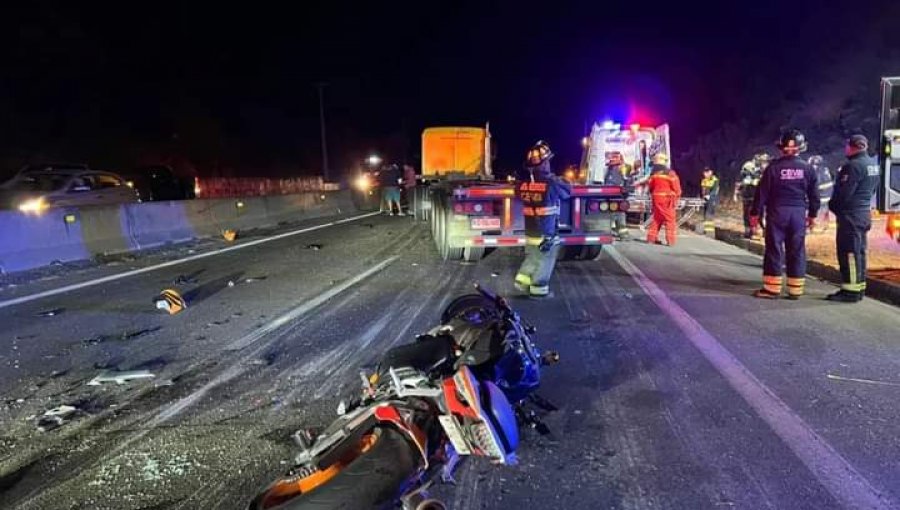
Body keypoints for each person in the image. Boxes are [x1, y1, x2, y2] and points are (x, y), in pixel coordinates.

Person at [750, 129, 819, 299]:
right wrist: (812, 215)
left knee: (774, 248)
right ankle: (795, 289)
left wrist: (755, 213)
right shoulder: (808, 169)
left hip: (777, 212)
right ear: (801, 148)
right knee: (797, 249)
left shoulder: (773, 168)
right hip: (798, 213)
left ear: (781, 148)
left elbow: (762, 193)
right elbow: (814, 195)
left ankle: (772, 289)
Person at [514, 141, 571, 298]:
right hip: (546, 231)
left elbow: (518, 192)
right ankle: (539, 290)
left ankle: (521, 282)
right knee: (546, 259)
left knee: (533, 255)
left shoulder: (523, 184)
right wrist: (554, 177)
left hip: (531, 230)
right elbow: (567, 190)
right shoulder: (551, 182)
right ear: (545, 163)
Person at [826, 135, 879, 303]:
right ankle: (859, 287)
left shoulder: (852, 167)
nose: (845, 149)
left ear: (852, 147)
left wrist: (833, 207)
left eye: (847, 146)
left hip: (851, 216)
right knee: (860, 253)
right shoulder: (873, 165)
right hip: (863, 214)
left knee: (849, 253)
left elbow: (844, 194)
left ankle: (850, 291)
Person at [645, 154, 681, 246]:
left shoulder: (654, 174)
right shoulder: (670, 173)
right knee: (670, 220)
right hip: (667, 200)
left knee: (657, 218)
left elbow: (650, 187)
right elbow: (677, 188)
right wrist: (677, 196)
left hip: (656, 199)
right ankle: (670, 241)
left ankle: (651, 238)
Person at [604, 152, 630, 239]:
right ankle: (622, 234)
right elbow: (625, 182)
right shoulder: (618, 169)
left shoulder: (610, 169)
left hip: (612, 194)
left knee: (613, 213)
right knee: (618, 213)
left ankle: (612, 232)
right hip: (617, 195)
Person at [734, 159, 762, 238]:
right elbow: (739, 185)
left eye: (746, 169)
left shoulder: (757, 176)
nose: (744, 171)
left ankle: (754, 231)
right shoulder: (744, 178)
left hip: (754, 199)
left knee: (753, 215)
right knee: (746, 215)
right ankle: (747, 231)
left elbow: (760, 186)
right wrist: (736, 194)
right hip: (746, 198)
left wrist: (753, 182)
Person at [808, 155, 834, 232]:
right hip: (829, 196)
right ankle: (826, 223)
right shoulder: (826, 169)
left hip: (820, 198)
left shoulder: (813, 170)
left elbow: (813, 187)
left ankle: (811, 225)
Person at [700, 167, 720, 235]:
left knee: (709, 214)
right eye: (704, 173)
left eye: (706, 172)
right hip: (705, 199)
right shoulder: (704, 180)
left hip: (712, 199)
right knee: (705, 214)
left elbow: (715, 190)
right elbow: (703, 190)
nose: (704, 174)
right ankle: (706, 230)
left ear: (710, 172)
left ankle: (710, 232)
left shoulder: (715, 180)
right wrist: (702, 196)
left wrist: (709, 196)